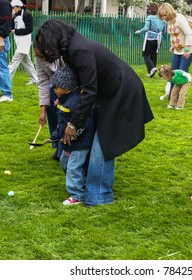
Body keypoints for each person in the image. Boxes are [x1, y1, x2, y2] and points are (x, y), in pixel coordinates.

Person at [33, 19, 154, 207]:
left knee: (103, 143)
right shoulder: (72, 50)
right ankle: (90, 188)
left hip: (122, 93)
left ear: (52, 39)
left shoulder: (79, 50)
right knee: (97, 139)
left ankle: (100, 195)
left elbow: (89, 90)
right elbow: (81, 86)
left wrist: (73, 124)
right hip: (108, 93)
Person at [48, 66, 96, 205]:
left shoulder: (76, 102)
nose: (54, 89)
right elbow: (61, 123)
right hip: (67, 144)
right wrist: (55, 136)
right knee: (65, 164)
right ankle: (80, 185)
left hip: (79, 144)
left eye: (56, 87)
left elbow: (85, 123)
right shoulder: (64, 100)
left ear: (65, 87)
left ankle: (77, 195)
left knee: (73, 167)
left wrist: (76, 135)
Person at [157, 3, 192, 84]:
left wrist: (186, 50)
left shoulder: (180, 19)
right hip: (177, 50)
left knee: (181, 74)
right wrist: (172, 46)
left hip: (188, 49)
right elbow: (173, 34)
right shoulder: (169, 21)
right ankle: (172, 95)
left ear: (169, 12)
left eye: (165, 15)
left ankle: (180, 95)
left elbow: (189, 34)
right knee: (172, 73)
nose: (164, 18)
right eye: (162, 16)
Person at [36, 56, 66, 161]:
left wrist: (62, 98)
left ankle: (66, 149)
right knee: (54, 118)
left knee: (65, 119)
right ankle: (58, 147)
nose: (39, 57)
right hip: (54, 89)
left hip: (68, 88)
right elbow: (43, 83)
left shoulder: (63, 53)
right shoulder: (39, 58)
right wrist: (43, 111)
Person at [8, 0, 38, 85]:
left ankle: (6, 79)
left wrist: (17, 31)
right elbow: (12, 27)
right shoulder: (15, 16)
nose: (13, 9)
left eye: (13, 8)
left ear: (18, 7)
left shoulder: (27, 15)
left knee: (14, 61)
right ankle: (35, 79)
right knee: (27, 62)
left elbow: (29, 29)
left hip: (25, 41)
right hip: (18, 40)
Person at [134, 3, 166, 78]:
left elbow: (146, 28)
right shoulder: (163, 20)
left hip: (150, 39)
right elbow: (164, 31)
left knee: (145, 54)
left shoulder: (150, 17)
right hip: (158, 40)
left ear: (150, 10)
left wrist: (139, 31)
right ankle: (151, 72)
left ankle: (152, 68)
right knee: (154, 55)